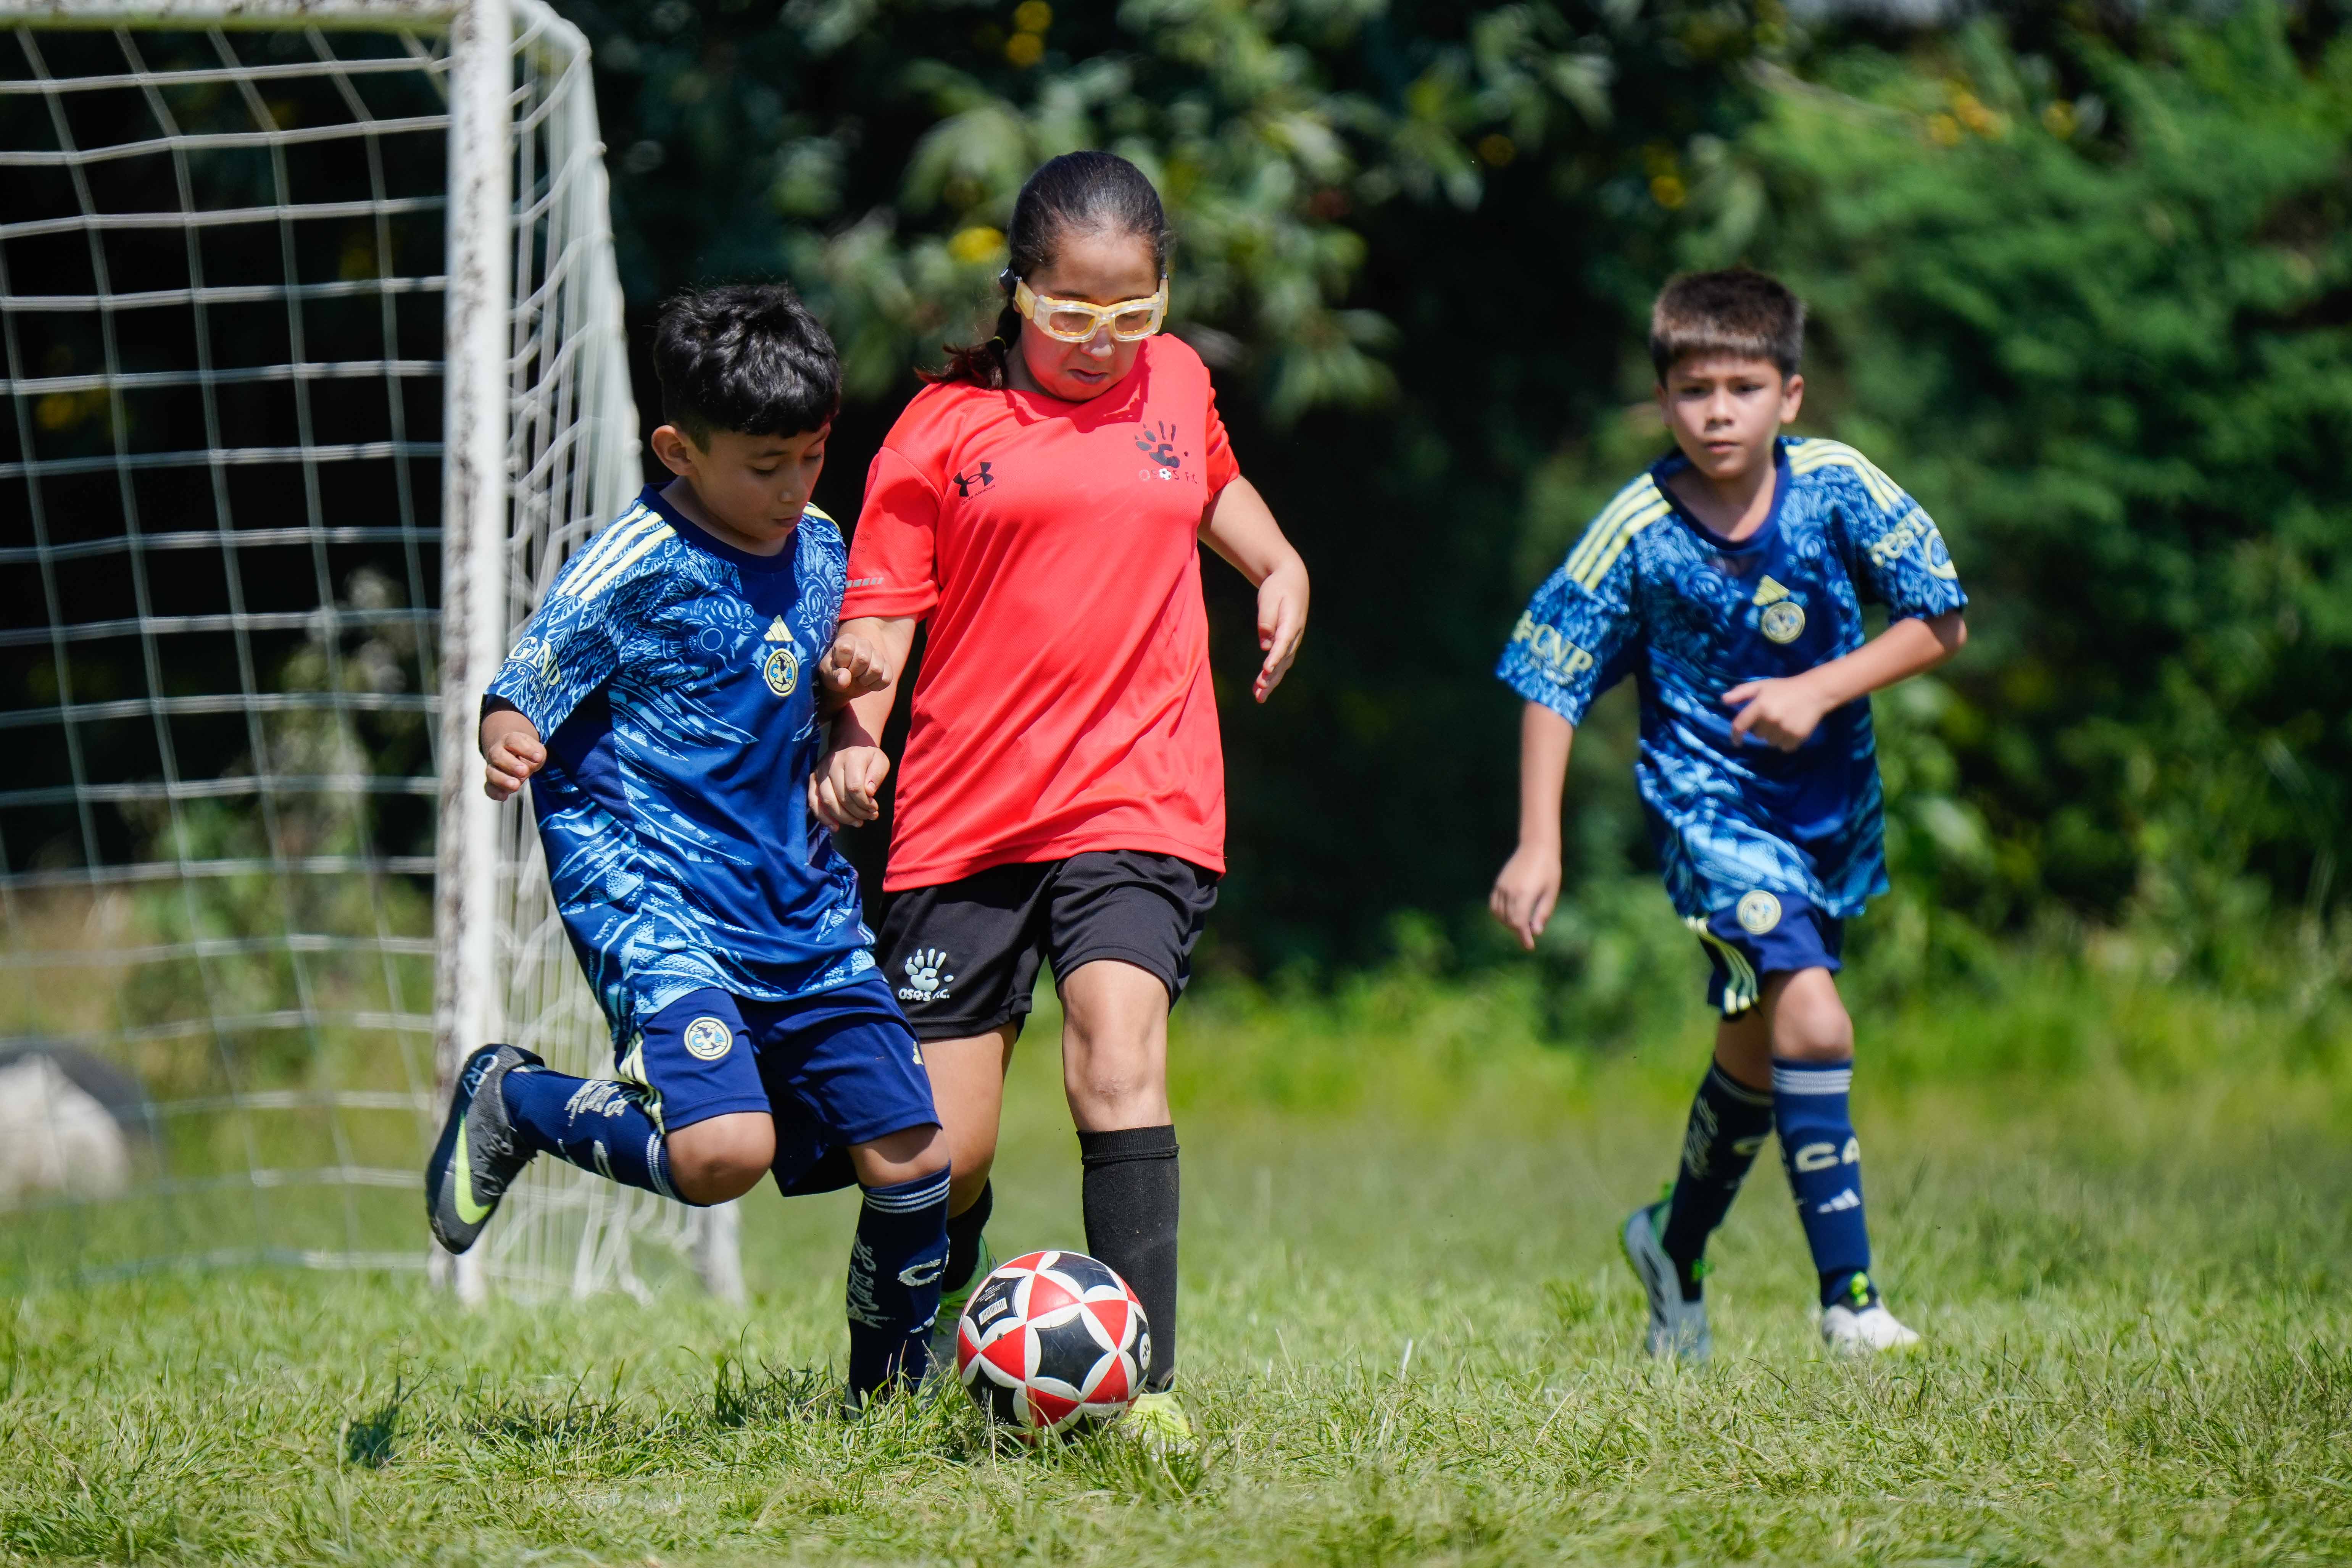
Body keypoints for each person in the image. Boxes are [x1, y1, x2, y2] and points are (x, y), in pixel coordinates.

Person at [809, 151, 1310, 1441]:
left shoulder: (1179, 381)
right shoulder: (936, 429)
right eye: (1070, 312)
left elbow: (1208, 482)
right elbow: (880, 614)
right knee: (940, 1150)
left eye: (1131, 314)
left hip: (1138, 793)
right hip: (965, 819)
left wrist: (1274, 562)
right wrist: (859, 737)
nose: (1102, 342)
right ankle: (888, 1376)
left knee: (1117, 1057)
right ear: (1017, 289)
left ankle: (1143, 1395)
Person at [424, 284, 951, 1407]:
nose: (796, 486)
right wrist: (507, 727)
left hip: (796, 903)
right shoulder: (638, 557)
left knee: (915, 1166)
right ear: (678, 448)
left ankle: (885, 1407)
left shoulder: (816, 546)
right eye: (765, 464)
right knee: (722, 1157)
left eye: (812, 456)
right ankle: (515, 1102)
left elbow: (817, 692)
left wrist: (849, 737)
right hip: (652, 893)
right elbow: (532, 675)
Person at [1490, 268, 1967, 1361]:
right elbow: (1549, 674)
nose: (1718, 411)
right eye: (1694, 388)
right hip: (1709, 814)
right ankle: (1848, 1302)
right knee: (1814, 1018)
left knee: (1758, 1054)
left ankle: (1672, 1242)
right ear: (1662, 399)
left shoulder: (1837, 486)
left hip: (1827, 814)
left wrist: (1820, 690)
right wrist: (1538, 839)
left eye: (1742, 387)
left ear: (1788, 397)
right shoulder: (1636, 529)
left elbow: (1940, 616)